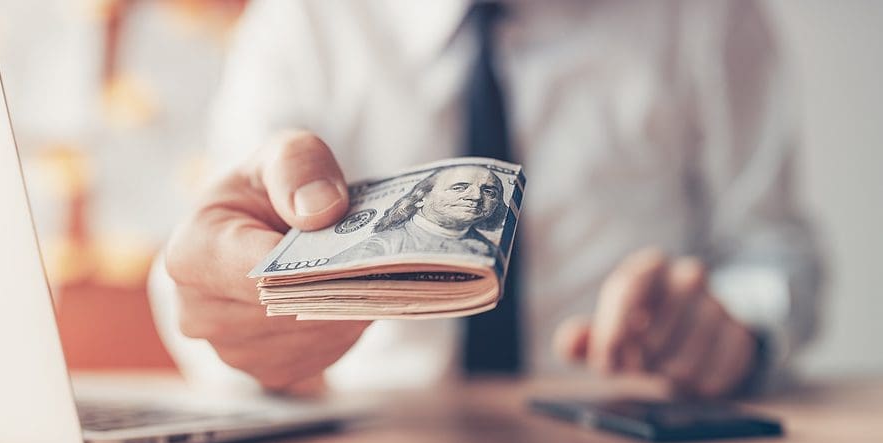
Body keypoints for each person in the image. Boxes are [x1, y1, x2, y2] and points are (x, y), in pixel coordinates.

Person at [152, 0, 823, 397]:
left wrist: (731, 330)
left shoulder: (705, 17)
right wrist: (231, 320)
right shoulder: (304, 20)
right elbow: (212, 245)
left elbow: (774, 254)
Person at [332, 165, 508, 264]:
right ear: (421, 197)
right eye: (459, 188)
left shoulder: (489, 249)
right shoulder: (381, 247)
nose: (476, 196)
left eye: (489, 192)